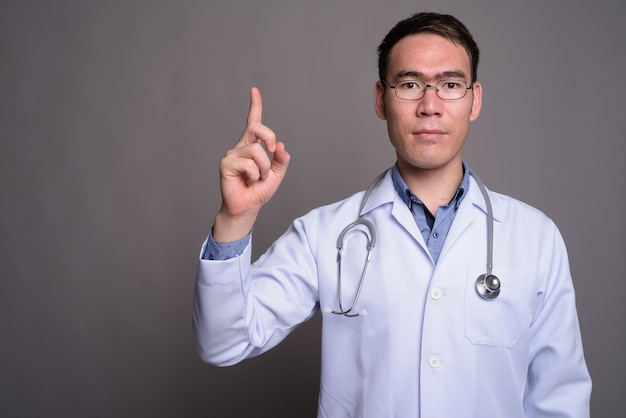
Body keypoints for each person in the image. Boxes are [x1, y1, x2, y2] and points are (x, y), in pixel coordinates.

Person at [193, 12, 591, 417]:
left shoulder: (536, 237)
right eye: (410, 84)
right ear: (381, 99)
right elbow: (223, 342)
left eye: (451, 85)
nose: (430, 105)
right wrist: (235, 219)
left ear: (475, 100)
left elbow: (560, 400)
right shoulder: (326, 233)